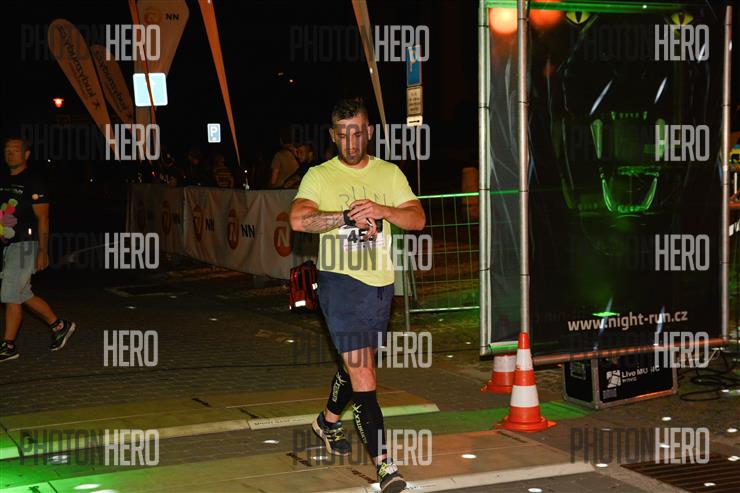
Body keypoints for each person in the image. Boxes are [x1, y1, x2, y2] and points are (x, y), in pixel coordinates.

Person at [289, 97, 425, 493]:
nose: (351, 141)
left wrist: (383, 210)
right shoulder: (319, 175)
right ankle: (385, 467)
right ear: (333, 136)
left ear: (369, 132)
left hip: (381, 287)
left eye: (357, 132)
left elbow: (417, 219)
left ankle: (327, 422)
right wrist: (344, 217)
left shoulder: (389, 173)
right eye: (343, 134)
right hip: (340, 285)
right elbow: (298, 219)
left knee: (356, 367)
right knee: (364, 373)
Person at [0, 137, 76, 362]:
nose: (10, 153)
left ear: (26, 154)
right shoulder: (4, 180)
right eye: (7, 150)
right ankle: (59, 326)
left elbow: (43, 218)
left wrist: (43, 250)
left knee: (10, 294)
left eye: (15, 150)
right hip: (9, 246)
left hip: (26, 245)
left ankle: (8, 345)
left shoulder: (34, 182)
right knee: (22, 293)